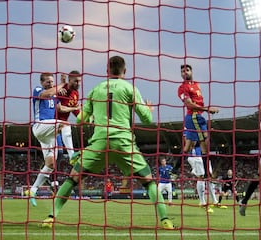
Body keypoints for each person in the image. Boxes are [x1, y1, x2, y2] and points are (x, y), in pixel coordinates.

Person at [41, 56, 176, 230]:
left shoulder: (96, 90)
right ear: (124, 71)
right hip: (123, 141)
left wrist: (85, 111)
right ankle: (165, 220)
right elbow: (147, 119)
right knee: (149, 182)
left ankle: (51, 216)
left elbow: (81, 120)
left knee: (72, 179)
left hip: (100, 141)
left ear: (107, 70)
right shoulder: (130, 88)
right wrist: (148, 109)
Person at [27, 73, 80, 206]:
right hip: (40, 126)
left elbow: (60, 108)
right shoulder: (38, 90)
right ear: (42, 82)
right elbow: (46, 95)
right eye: (47, 82)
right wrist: (61, 84)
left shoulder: (55, 96)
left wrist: (75, 108)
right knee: (65, 125)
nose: (50, 84)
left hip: (48, 134)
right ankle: (72, 155)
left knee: (51, 164)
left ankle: (32, 190)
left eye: (52, 82)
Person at [178, 64, 219, 179]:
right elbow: (189, 104)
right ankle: (207, 174)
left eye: (187, 70)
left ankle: (175, 168)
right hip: (193, 117)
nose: (185, 72)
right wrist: (207, 109)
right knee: (203, 143)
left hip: (199, 116)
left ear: (191, 71)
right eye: (182, 71)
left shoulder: (196, 85)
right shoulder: (182, 88)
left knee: (190, 147)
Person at [187, 144, 227, 213]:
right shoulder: (192, 134)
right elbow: (188, 142)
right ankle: (202, 203)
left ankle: (215, 201)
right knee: (201, 177)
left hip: (205, 157)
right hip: (196, 157)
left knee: (209, 178)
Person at [56, 70, 81, 161]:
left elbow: (76, 110)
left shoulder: (75, 94)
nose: (78, 84)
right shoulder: (60, 90)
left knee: (59, 154)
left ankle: (72, 157)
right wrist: (59, 87)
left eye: (80, 81)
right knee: (57, 153)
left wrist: (86, 118)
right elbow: (59, 108)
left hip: (61, 127)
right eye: (76, 81)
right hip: (52, 123)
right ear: (69, 80)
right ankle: (72, 156)